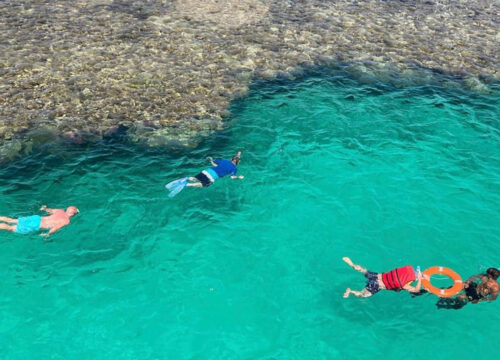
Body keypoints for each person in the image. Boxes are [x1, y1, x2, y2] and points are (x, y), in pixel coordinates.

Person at [342, 256, 422, 298]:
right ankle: (350, 291)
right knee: (363, 295)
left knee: (363, 270)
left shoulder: (401, 273)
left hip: (376, 276)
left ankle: (352, 264)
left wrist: (418, 274)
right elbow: (416, 290)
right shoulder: (404, 285)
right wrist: (420, 280)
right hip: (376, 285)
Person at [0, 205, 79, 237]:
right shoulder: (66, 220)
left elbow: (48, 210)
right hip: (37, 224)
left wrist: (44, 208)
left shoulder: (60, 210)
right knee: (11, 228)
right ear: (73, 214)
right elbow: (56, 227)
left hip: (37, 218)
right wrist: (47, 234)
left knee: (12, 220)